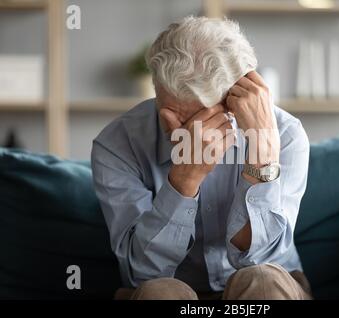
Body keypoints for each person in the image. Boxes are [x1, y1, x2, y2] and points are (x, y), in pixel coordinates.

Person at [91, 16, 311, 300]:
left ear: (235, 101)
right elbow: (143, 272)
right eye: (166, 109)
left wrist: (262, 154)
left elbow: (262, 258)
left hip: (268, 287)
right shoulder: (117, 144)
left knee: (263, 281)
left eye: (195, 117)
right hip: (169, 289)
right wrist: (185, 178)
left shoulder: (285, 133)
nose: (175, 127)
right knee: (160, 293)